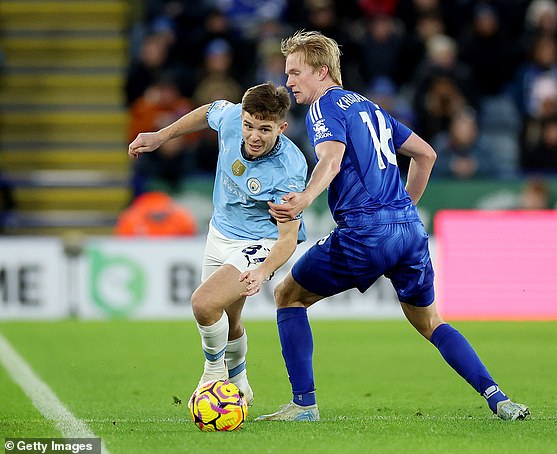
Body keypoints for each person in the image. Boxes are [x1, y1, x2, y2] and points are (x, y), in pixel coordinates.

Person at [257, 30, 529, 422]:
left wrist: (303, 199)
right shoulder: (370, 107)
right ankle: (498, 398)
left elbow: (330, 161)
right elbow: (426, 154)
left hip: (365, 232)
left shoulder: (323, 108)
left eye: (295, 72)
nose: (289, 82)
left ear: (321, 72)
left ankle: (304, 405)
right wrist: (401, 209)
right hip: (409, 229)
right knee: (431, 322)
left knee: (288, 295)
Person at [128, 82, 308, 405]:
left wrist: (264, 270)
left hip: (257, 242)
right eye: (249, 125)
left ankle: (214, 375)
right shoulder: (229, 119)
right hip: (219, 233)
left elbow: (288, 239)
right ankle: (240, 384)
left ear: (282, 127)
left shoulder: (289, 170)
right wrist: (160, 136)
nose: (254, 136)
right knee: (230, 320)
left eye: (265, 130)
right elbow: (207, 113)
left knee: (204, 304)